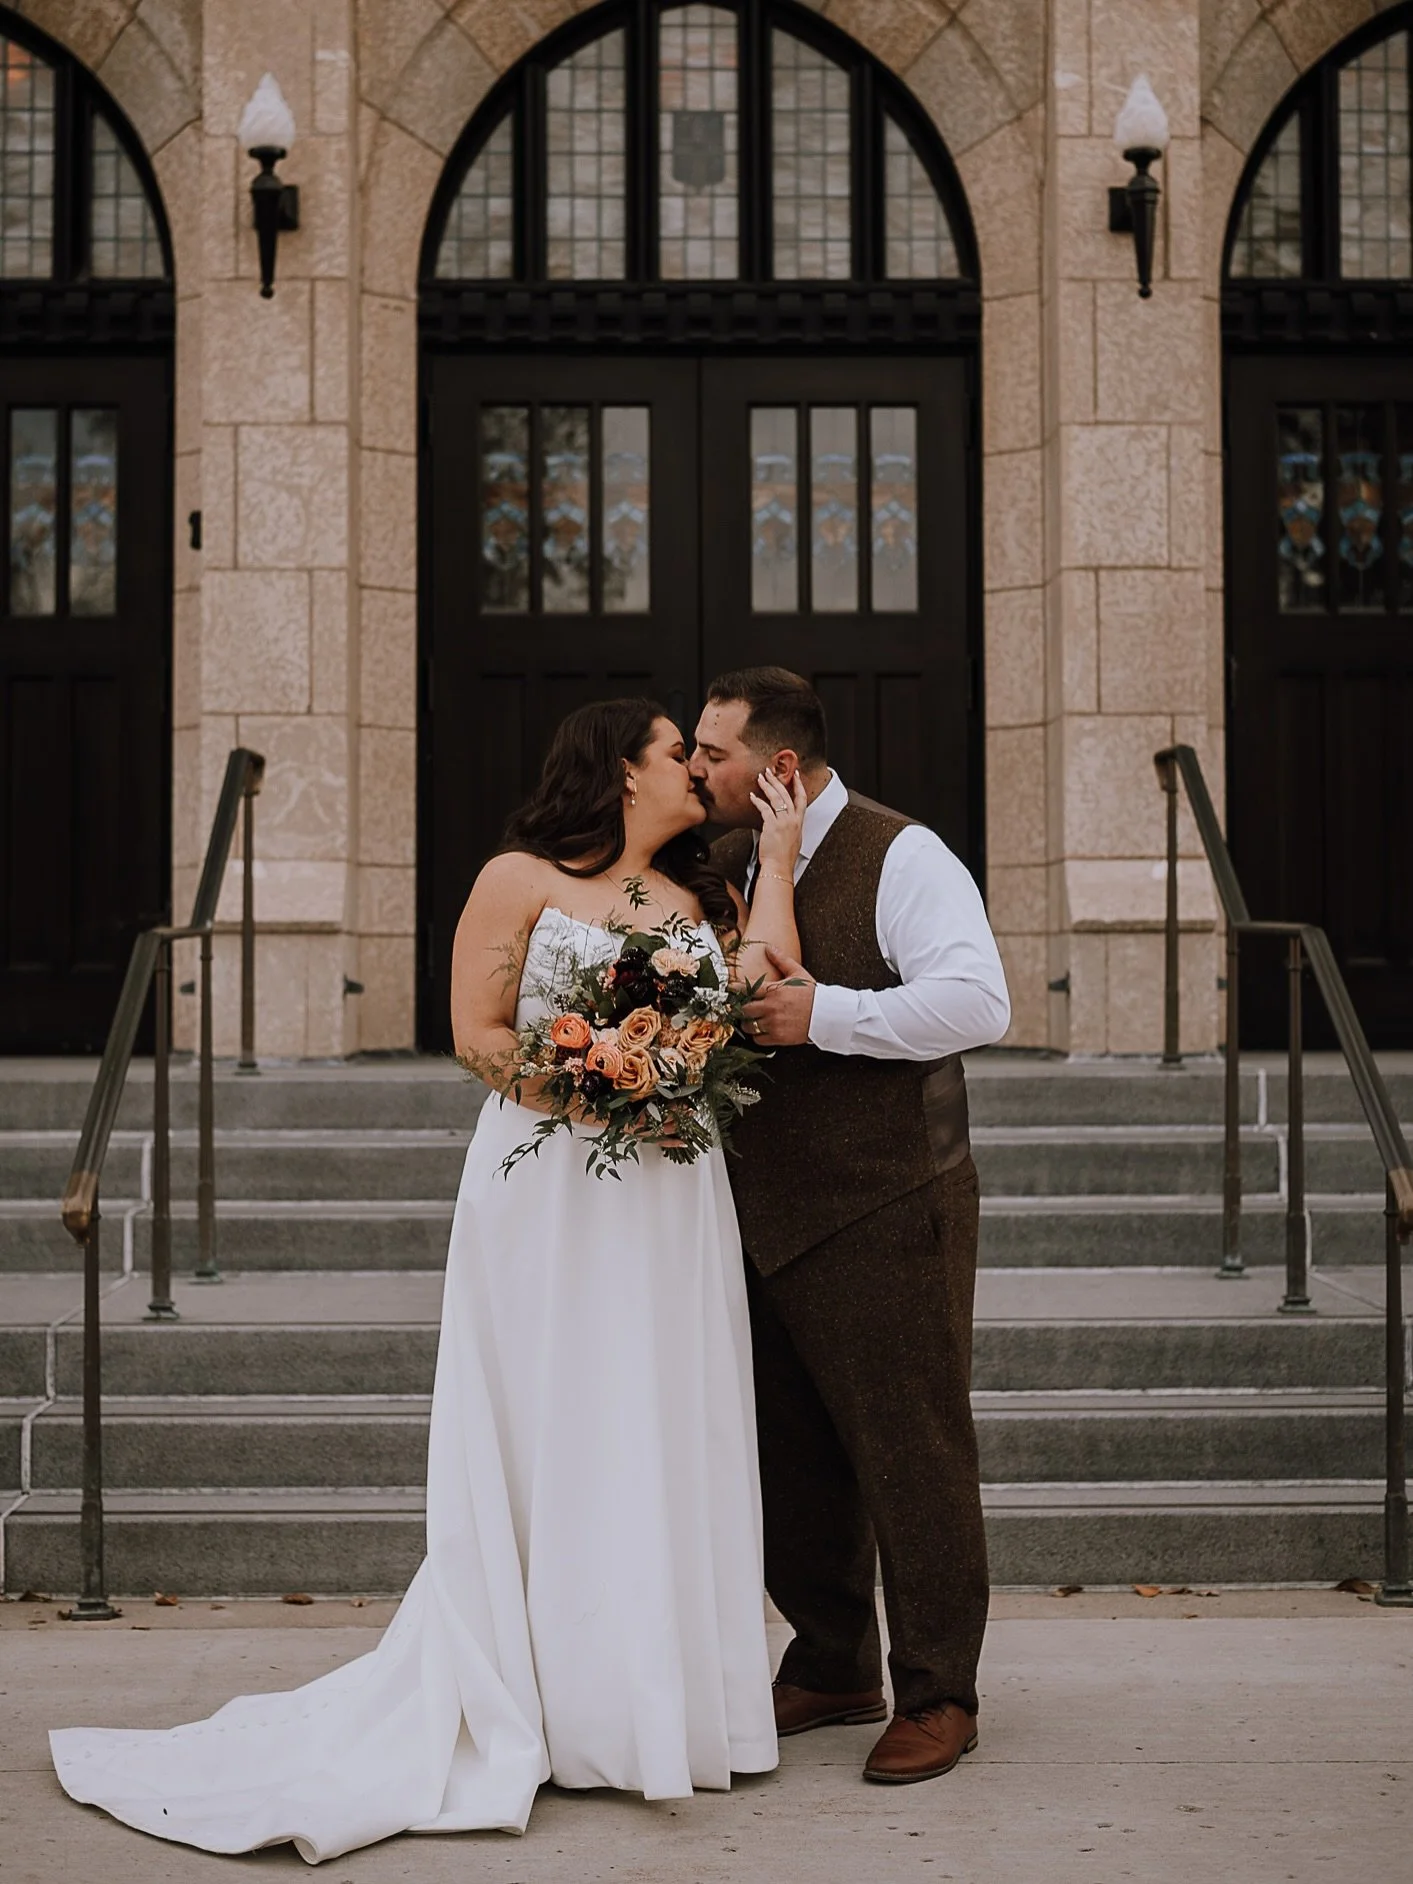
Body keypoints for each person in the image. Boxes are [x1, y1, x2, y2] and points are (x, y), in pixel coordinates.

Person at [50, 699, 807, 1864]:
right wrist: (608, 1085)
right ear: (618, 769)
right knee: (547, 1422)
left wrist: (784, 864)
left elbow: (764, 989)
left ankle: (650, 1705)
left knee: (656, 1422)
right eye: (675, 752)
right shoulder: (517, 878)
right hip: (551, 1185)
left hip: (670, 1199)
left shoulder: (705, 898)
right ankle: (539, 1693)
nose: (695, 772)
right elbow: (477, 1032)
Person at [690, 666, 1011, 1786]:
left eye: (711, 753)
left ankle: (940, 1691)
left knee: (911, 1453)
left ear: (778, 766)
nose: (694, 770)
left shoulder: (903, 854)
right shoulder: (728, 863)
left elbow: (979, 1000)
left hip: (889, 1199)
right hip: (761, 1208)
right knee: (791, 1454)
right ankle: (832, 1660)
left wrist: (824, 1012)